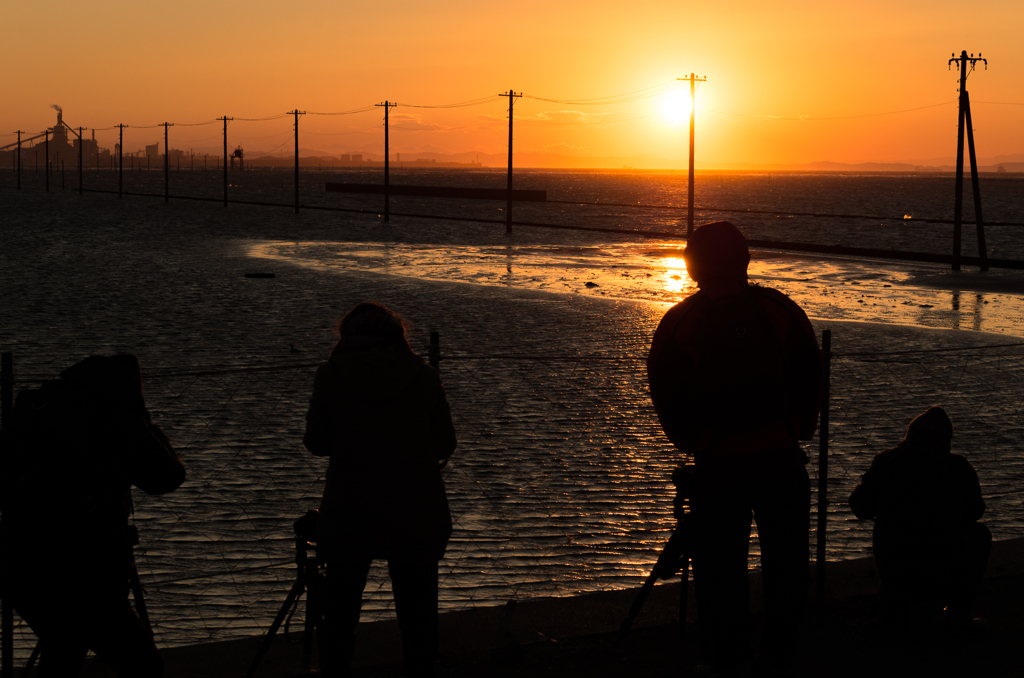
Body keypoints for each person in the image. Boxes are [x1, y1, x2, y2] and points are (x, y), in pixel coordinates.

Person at [647, 221, 822, 675]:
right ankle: (779, 654)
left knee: (719, 572)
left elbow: (665, 393)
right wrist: (798, 430)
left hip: (717, 466)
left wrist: (695, 443)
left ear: (695, 265)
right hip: (781, 461)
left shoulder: (679, 321)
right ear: (744, 260)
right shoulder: (780, 310)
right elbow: (809, 377)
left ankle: (730, 658)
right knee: (787, 568)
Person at [0, 354, 185, 678]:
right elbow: (168, 476)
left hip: (23, 568)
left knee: (63, 645)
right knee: (144, 667)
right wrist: (143, 420)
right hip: (86, 574)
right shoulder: (117, 419)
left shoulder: (38, 410)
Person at [304, 302, 456, 677]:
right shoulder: (423, 376)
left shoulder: (331, 376)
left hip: (350, 507)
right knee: (418, 618)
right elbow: (445, 443)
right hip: (416, 508)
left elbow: (317, 442)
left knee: (339, 616)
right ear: (399, 337)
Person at [848, 406, 990, 631]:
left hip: (895, 570)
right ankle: (957, 615)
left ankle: (891, 611)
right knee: (980, 534)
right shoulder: (957, 467)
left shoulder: (886, 463)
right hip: (943, 569)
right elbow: (976, 511)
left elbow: (859, 507)